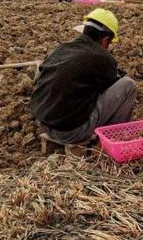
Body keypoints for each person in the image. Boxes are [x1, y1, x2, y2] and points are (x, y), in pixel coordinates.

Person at [30, 8, 136, 144]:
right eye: (109, 43)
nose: (108, 46)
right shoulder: (102, 57)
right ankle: (114, 138)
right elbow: (114, 81)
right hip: (70, 133)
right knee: (128, 85)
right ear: (105, 40)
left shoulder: (62, 49)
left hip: (45, 124)